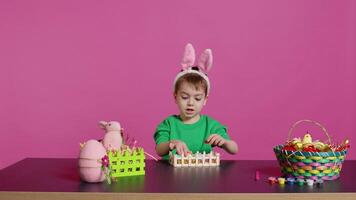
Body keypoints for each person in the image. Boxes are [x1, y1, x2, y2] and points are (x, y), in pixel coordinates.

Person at [153, 43, 238, 159]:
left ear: (205, 100)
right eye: (184, 97)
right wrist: (171, 143)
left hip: (204, 175)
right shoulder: (168, 124)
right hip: (173, 175)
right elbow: (159, 149)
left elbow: (234, 149)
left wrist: (225, 142)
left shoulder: (211, 125)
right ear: (175, 97)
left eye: (197, 98)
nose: (191, 103)